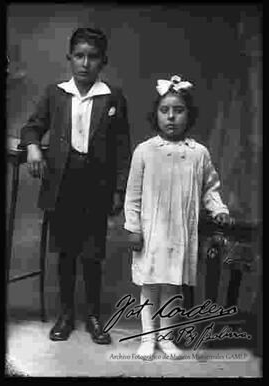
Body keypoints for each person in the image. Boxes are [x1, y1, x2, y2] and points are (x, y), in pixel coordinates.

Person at [20, 27, 131, 344]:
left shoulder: (112, 96)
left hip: (96, 185)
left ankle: (94, 316)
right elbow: (32, 127)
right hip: (62, 184)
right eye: (79, 56)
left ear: (103, 61)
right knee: (66, 253)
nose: (85, 63)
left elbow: (123, 146)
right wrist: (33, 146)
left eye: (92, 57)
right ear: (70, 58)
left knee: (93, 254)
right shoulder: (56, 94)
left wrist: (119, 189)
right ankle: (66, 314)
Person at [124, 75, 230, 358]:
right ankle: (148, 337)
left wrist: (218, 209)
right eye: (164, 110)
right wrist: (133, 228)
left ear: (189, 115)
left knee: (173, 285)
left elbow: (210, 187)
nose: (171, 117)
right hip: (151, 231)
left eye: (178, 110)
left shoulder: (198, 154)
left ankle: (166, 337)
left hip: (181, 232)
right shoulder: (145, 151)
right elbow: (132, 195)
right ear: (156, 114)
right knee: (150, 283)